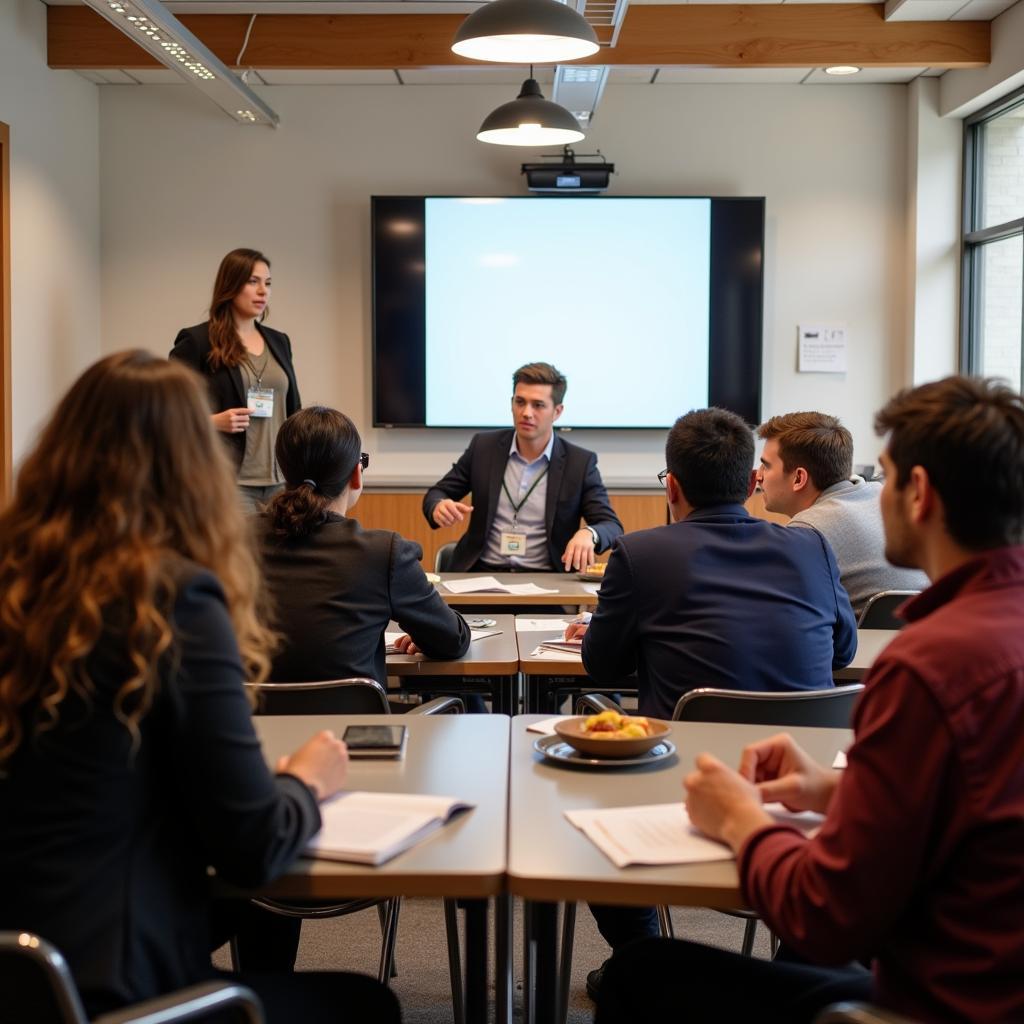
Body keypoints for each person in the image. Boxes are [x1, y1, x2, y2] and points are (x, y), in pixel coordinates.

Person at [598, 376, 1024, 1024]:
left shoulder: (929, 666)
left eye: (878, 477)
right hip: (990, 976)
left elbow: (827, 915)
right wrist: (836, 790)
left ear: (919, 494)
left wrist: (741, 818)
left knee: (638, 975)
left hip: (932, 999)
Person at [0, 351, 399, 1023]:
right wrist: (305, 779)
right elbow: (253, 845)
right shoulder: (175, 600)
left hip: (24, 971)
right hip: (114, 986)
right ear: (193, 468)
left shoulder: (19, 587)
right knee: (367, 1006)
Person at [567, 406, 857, 998]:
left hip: (680, 787)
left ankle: (641, 956)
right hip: (800, 788)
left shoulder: (640, 555)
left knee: (579, 796)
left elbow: (601, 665)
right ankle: (796, 968)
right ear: (752, 481)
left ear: (671, 485)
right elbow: (843, 647)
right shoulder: (813, 549)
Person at [258, 405, 471, 685]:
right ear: (356, 474)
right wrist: (426, 634)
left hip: (251, 725)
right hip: (352, 727)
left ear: (283, 470)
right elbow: (452, 641)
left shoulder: (232, 540)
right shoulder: (383, 553)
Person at [423, 362, 623, 572]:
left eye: (538, 405)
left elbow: (611, 525)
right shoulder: (483, 448)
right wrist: (438, 505)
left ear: (557, 411)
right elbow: (437, 493)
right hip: (480, 576)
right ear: (512, 403)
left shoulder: (579, 463)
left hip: (548, 584)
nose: (526, 412)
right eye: (520, 402)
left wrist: (590, 533)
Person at [170, 248, 301, 514]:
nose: (263, 291)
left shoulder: (279, 341)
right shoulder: (196, 342)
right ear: (230, 285)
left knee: (278, 556)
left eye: (268, 283)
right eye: (253, 282)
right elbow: (166, 410)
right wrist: (212, 421)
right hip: (230, 483)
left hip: (282, 482)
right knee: (237, 556)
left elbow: (293, 410)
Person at [756, 411, 927, 615]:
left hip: (866, 645)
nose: (758, 476)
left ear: (799, 478)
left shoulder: (808, 532)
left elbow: (775, 613)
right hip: (925, 630)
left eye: (766, 466)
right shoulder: (878, 493)